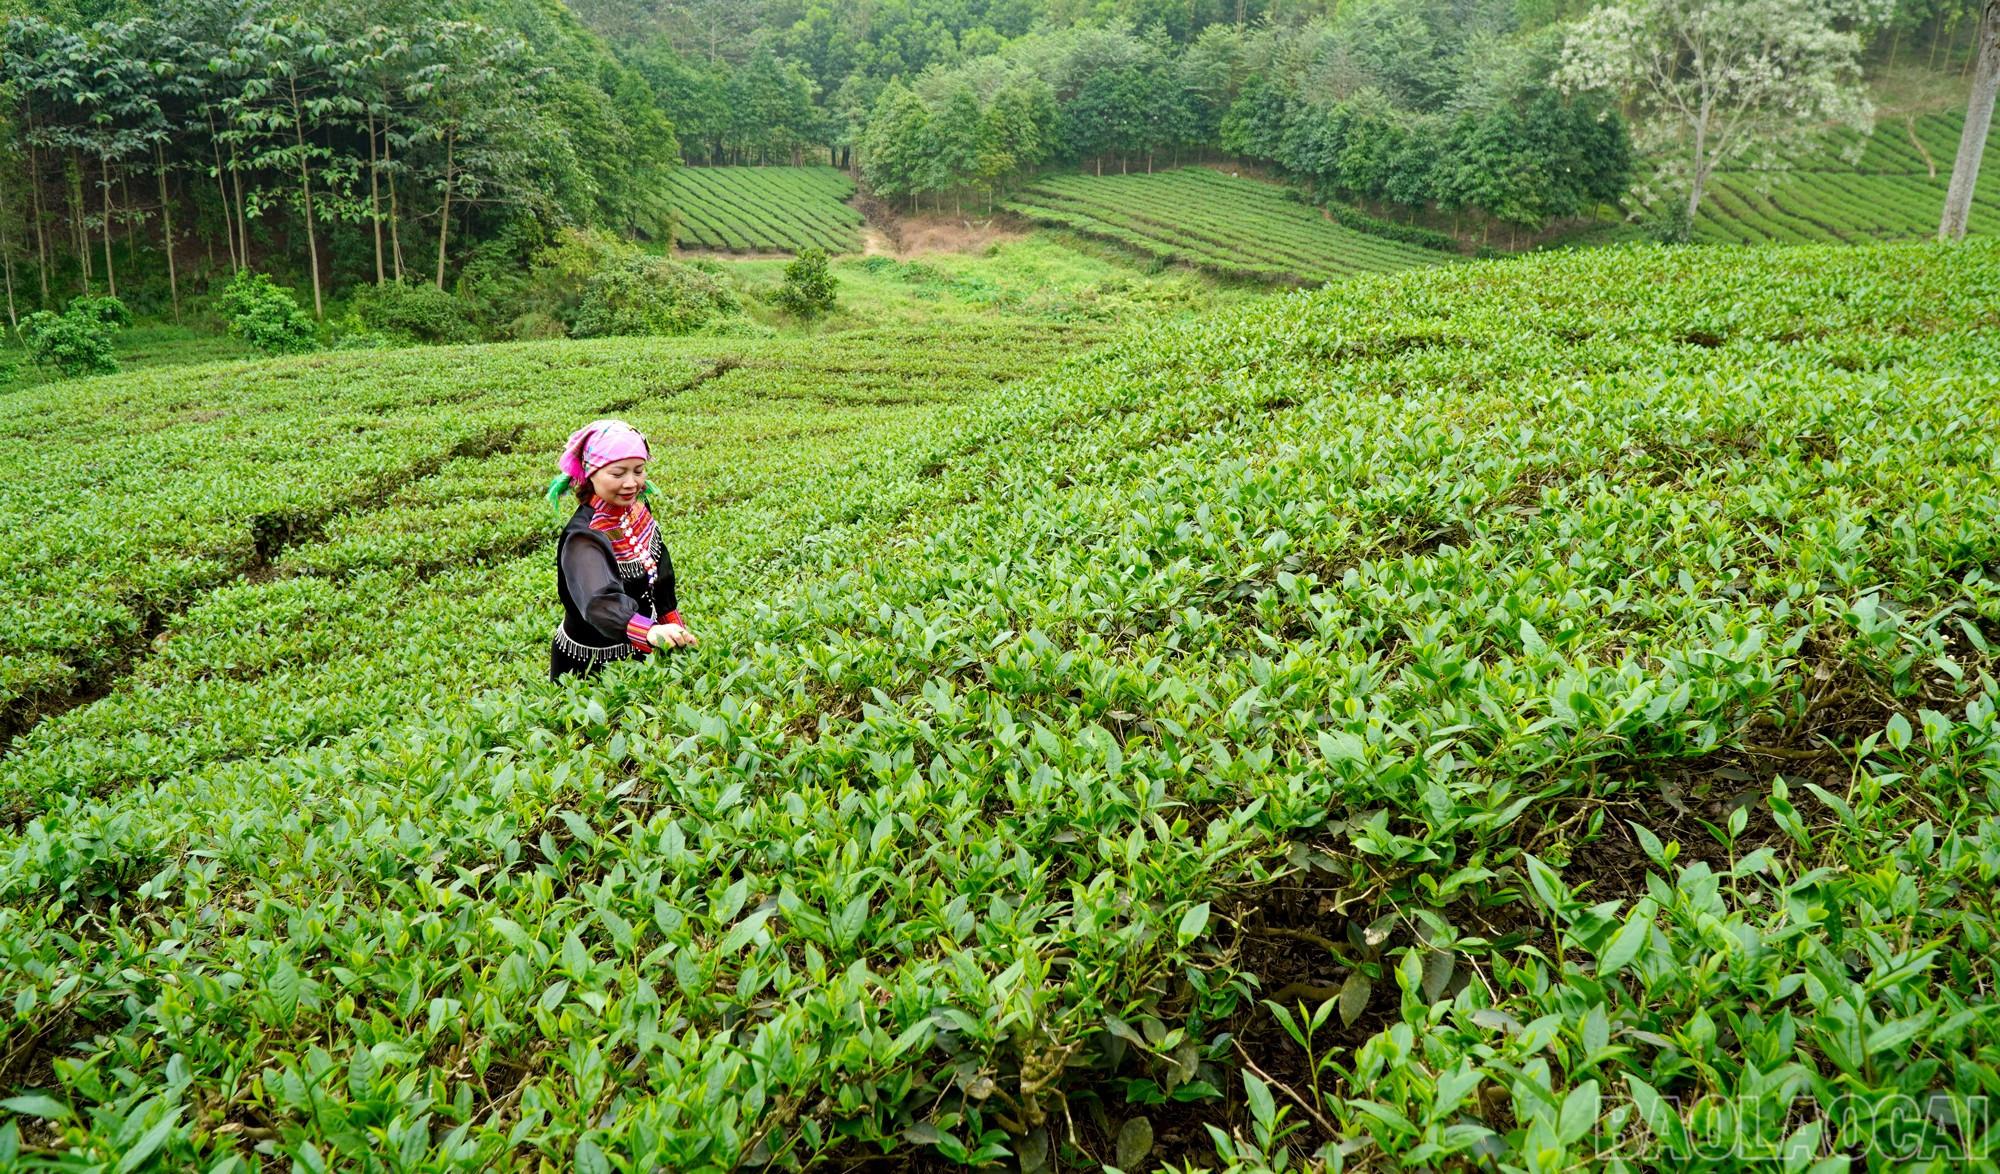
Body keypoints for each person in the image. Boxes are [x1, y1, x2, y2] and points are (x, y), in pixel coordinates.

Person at [546, 418, 697, 681]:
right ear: (591, 474)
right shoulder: (584, 536)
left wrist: (671, 624)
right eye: (618, 474)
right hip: (591, 663)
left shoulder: (637, 511)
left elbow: (659, 569)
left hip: (642, 641)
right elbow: (598, 600)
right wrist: (647, 631)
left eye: (638, 471)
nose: (631, 483)